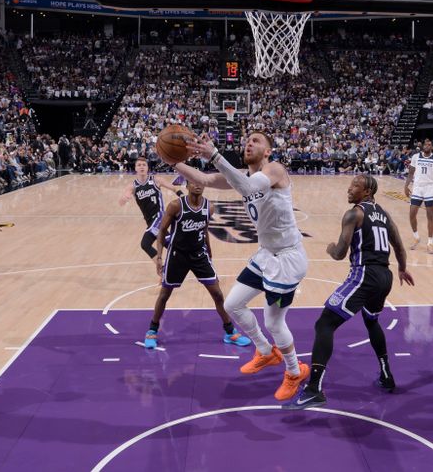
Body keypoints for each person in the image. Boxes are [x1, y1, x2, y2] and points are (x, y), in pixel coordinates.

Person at [175, 131, 309, 401]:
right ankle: (264, 351)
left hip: (287, 258)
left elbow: (249, 188)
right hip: (266, 254)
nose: (249, 143)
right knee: (232, 304)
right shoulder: (241, 176)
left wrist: (213, 155)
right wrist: (171, 158)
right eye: (247, 140)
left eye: (256, 141)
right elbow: (202, 178)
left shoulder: (275, 169)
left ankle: (295, 371)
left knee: (273, 322)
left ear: (268, 151)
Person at [284, 175, 414, 409]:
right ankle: (386, 375)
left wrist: (331, 248)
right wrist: (403, 269)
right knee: (371, 320)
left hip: (365, 274)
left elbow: (340, 253)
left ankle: (314, 390)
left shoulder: (355, 213)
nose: (349, 188)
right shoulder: (385, 215)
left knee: (324, 324)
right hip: (385, 276)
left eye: (355, 185)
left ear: (367, 192)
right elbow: (399, 247)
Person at [143, 180, 250, 349]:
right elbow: (162, 230)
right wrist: (159, 258)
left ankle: (230, 332)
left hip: (199, 255)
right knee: (164, 295)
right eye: (193, 183)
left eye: (200, 183)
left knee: (218, 294)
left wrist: (209, 250)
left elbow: (204, 229)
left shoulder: (209, 207)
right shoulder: (175, 205)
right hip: (177, 255)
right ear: (187, 186)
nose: (198, 185)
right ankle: (152, 331)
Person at [119, 157, 183, 260]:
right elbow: (122, 201)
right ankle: (184, 260)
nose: (142, 167)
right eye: (139, 165)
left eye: (144, 165)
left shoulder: (156, 180)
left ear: (148, 167)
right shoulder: (132, 186)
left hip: (160, 216)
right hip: (150, 221)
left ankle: (161, 270)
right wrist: (124, 198)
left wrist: (183, 197)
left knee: (145, 243)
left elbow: (174, 188)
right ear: (135, 168)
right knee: (170, 245)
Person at [404, 139, 433, 254]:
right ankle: (416, 237)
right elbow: (411, 173)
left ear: (432, 147)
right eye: (425, 144)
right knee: (412, 214)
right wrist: (406, 186)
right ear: (422, 146)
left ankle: (430, 243)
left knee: (430, 215)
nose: (427, 146)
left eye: (429, 144)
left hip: (429, 188)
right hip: (417, 187)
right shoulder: (416, 157)